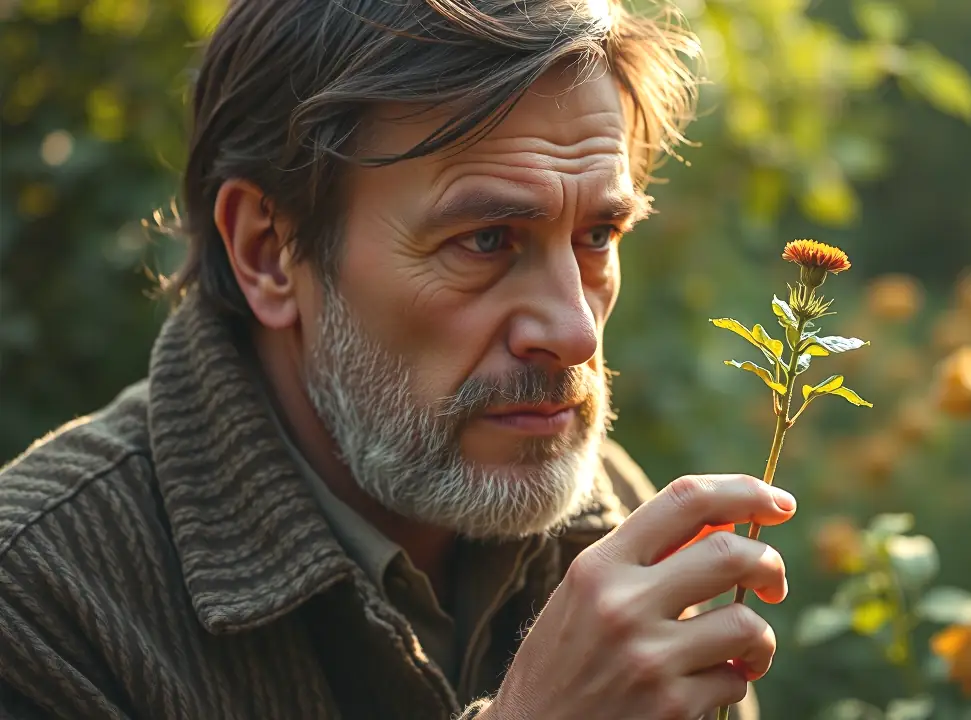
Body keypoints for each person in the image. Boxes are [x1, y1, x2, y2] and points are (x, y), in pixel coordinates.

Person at [0, 0, 794, 718]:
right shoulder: (41, 597)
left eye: (597, 237)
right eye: (486, 240)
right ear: (269, 253)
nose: (575, 331)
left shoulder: (615, 527)